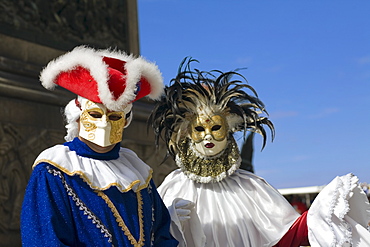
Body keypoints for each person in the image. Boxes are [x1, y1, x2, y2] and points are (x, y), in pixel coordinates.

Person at [149, 58, 370, 247]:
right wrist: (167, 219)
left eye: (216, 128)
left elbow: (285, 235)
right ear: (187, 132)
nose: (208, 136)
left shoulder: (250, 186)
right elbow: (144, 236)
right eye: (199, 129)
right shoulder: (173, 186)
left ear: (229, 130)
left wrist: (321, 216)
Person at [21, 46, 178, 247]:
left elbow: (161, 235)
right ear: (78, 117)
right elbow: (45, 240)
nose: (104, 124)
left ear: (125, 121)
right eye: (95, 115)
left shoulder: (138, 175)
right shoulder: (54, 171)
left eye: (114, 117)